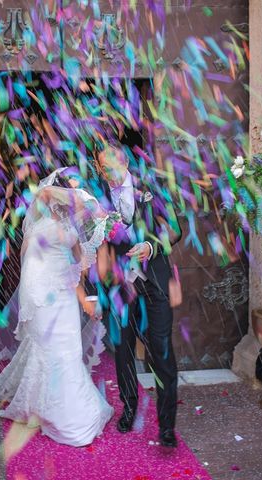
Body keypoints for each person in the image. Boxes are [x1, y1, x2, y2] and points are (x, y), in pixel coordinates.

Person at [0, 167, 114, 447]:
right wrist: (83, 197)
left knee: (70, 350)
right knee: (51, 351)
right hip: (41, 294)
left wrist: (85, 295)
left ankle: (71, 409)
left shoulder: (71, 225)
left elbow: (77, 261)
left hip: (64, 294)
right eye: (71, 188)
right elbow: (27, 261)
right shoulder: (42, 210)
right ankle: (53, 412)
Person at [94, 143, 182, 447]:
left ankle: (167, 425)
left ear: (125, 161)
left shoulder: (151, 187)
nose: (110, 174)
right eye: (104, 169)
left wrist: (152, 247)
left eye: (114, 168)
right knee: (124, 353)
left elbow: (175, 228)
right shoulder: (98, 196)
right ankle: (129, 407)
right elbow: (95, 241)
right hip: (120, 287)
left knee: (162, 352)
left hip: (154, 284)